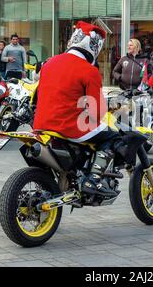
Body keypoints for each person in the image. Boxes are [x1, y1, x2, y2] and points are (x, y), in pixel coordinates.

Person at [34, 21, 140, 198]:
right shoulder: (88, 70)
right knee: (113, 136)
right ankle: (93, 179)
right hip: (69, 126)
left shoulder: (50, 63)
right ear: (95, 47)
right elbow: (96, 113)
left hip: (41, 124)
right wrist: (107, 107)